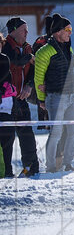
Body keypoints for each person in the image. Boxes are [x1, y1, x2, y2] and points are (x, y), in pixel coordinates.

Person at [34, 14, 74, 173]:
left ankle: (68, 164)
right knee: (56, 133)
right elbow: (38, 78)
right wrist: (41, 100)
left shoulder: (67, 47)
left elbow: (66, 64)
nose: (71, 32)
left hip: (72, 95)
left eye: (71, 29)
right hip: (55, 97)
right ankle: (50, 167)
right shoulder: (44, 51)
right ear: (58, 31)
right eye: (67, 29)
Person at [1, 17, 40, 176]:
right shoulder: (5, 46)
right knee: (7, 138)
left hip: (22, 99)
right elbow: (15, 61)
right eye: (24, 29)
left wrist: (29, 86)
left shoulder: (27, 48)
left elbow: (33, 70)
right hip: (6, 101)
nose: (27, 32)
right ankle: (6, 171)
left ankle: (31, 169)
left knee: (26, 134)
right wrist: (29, 57)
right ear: (14, 30)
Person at [0, 50, 20, 178]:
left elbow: (6, 77)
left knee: (8, 137)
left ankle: (7, 170)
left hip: (6, 105)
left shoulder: (4, 58)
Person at [32, 15, 53, 129]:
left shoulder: (40, 40)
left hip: (41, 75)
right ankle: (45, 122)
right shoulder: (54, 41)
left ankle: (42, 122)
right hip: (49, 77)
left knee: (41, 99)